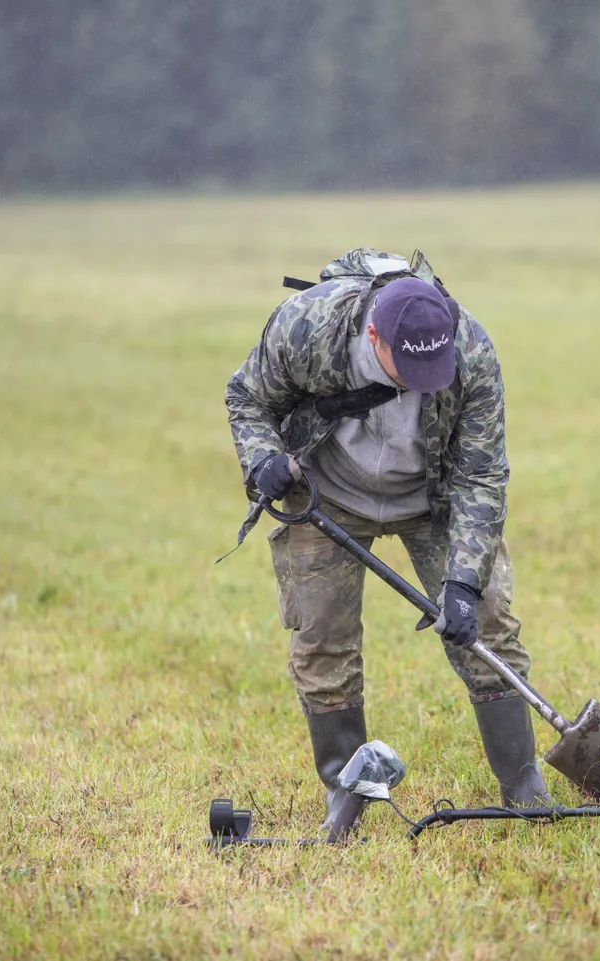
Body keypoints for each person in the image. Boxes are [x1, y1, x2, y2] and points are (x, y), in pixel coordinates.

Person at [225, 248, 550, 826]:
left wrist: (463, 584)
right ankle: (344, 793)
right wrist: (262, 458)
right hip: (328, 491)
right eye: (408, 370)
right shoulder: (307, 325)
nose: (425, 383)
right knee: (323, 640)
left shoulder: (469, 349)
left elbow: (482, 471)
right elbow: (247, 398)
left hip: (432, 497)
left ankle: (524, 790)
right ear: (373, 336)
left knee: (490, 626)